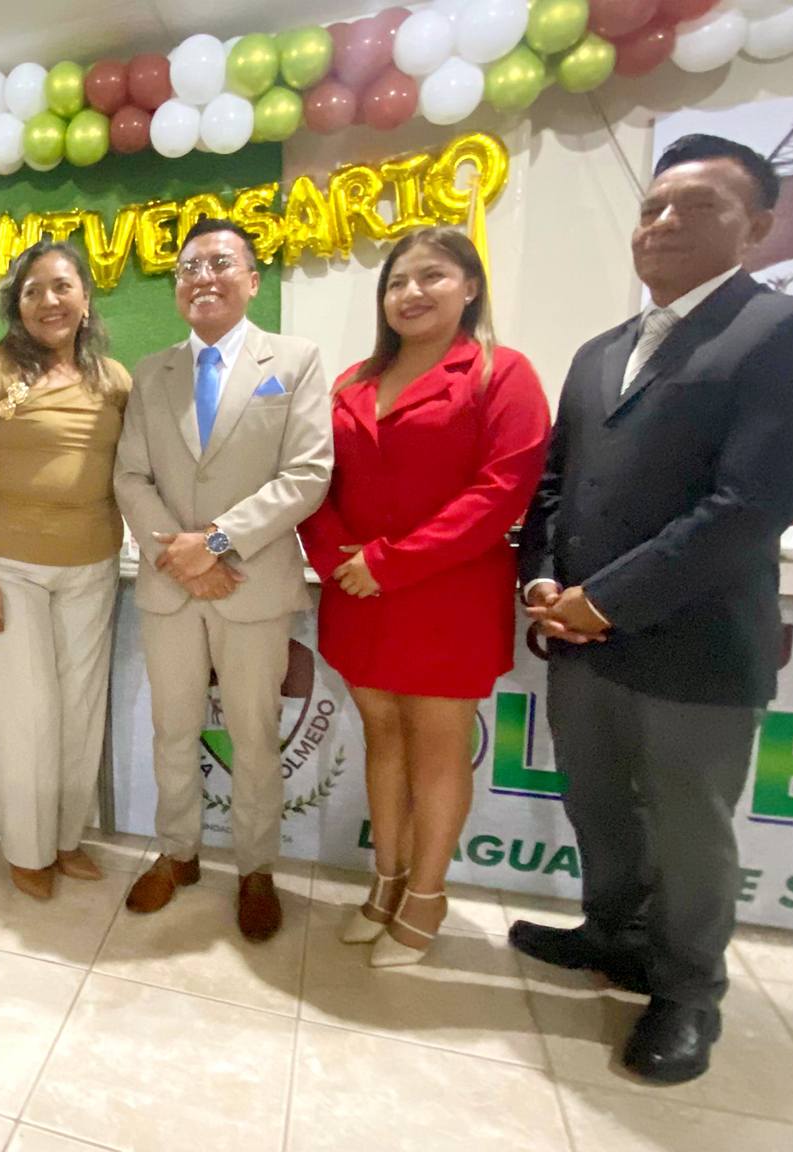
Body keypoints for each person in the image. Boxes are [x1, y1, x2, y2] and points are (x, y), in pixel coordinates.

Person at [510, 134, 793, 1084]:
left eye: (696, 208)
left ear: (759, 227)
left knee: (689, 826)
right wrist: (542, 582)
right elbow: (555, 487)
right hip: (581, 643)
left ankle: (688, 990)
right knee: (597, 803)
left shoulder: (792, 330)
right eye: (652, 208)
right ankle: (613, 935)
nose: (662, 224)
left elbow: (752, 504)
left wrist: (606, 600)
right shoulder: (600, 353)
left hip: (696, 644)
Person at [297, 227, 550, 967]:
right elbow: (313, 480)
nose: (411, 293)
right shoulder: (352, 380)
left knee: (438, 749)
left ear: (470, 287)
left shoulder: (502, 373)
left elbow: (502, 492)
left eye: (432, 276)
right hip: (358, 593)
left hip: (447, 596)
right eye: (397, 281)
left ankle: (427, 897)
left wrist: (390, 562)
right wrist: (337, 559)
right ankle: (386, 882)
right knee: (382, 740)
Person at [114, 218, 332, 941]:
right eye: (188, 268)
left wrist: (214, 545)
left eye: (219, 263)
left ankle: (256, 868)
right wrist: (181, 559)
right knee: (172, 729)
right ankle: (177, 853)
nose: (202, 277)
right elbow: (131, 476)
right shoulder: (152, 373)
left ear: (252, 279)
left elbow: (307, 475)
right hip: (170, 588)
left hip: (252, 585)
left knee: (254, 735)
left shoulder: (295, 361)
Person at [0, 240, 131, 901]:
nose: (49, 301)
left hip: (93, 567)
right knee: (25, 716)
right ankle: (27, 850)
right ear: (16, 306)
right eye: (32, 291)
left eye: (61, 287)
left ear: (85, 299)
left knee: (80, 711)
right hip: (9, 570)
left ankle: (67, 839)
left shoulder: (113, 379)